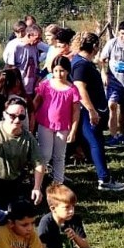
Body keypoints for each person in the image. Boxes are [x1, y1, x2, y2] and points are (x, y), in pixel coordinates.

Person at [71, 33, 124, 191]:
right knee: (96, 143)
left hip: (89, 111)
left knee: (81, 143)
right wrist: (91, 110)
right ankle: (104, 179)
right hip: (87, 112)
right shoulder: (81, 65)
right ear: (95, 47)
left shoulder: (82, 61)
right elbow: (80, 88)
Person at [33, 56, 80, 184]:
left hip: (64, 126)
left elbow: (76, 111)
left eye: (62, 71)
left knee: (59, 156)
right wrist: (31, 118)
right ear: (52, 71)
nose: (59, 74)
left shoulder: (72, 89)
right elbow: (36, 102)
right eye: (56, 71)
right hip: (45, 124)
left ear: (68, 71)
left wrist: (73, 131)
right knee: (45, 154)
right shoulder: (45, 85)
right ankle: (38, 180)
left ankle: (58, 182)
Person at [37, 183, 100, 248]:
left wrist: (75, 236)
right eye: (67, 207)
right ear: (53, 208)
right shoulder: (46, 222)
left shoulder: (75, 219)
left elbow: (85, 247)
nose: (71, 211)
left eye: (73, 206)